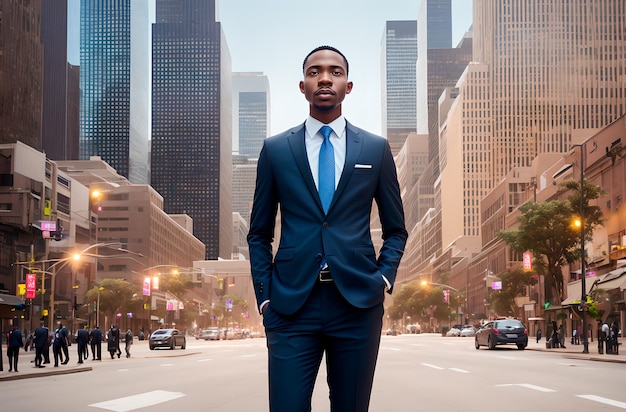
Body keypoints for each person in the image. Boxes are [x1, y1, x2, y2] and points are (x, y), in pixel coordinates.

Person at [247, 45, 407, 412]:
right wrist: (265, 295)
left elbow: (396, 229)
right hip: (290, 306)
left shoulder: (375, 149)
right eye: (314, 71)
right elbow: (259, 233)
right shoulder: (275, 151)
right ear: (302, 86)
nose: (324, 78)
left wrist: (383, 278)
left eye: (335, 72)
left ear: (348, 86)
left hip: (357, 304)